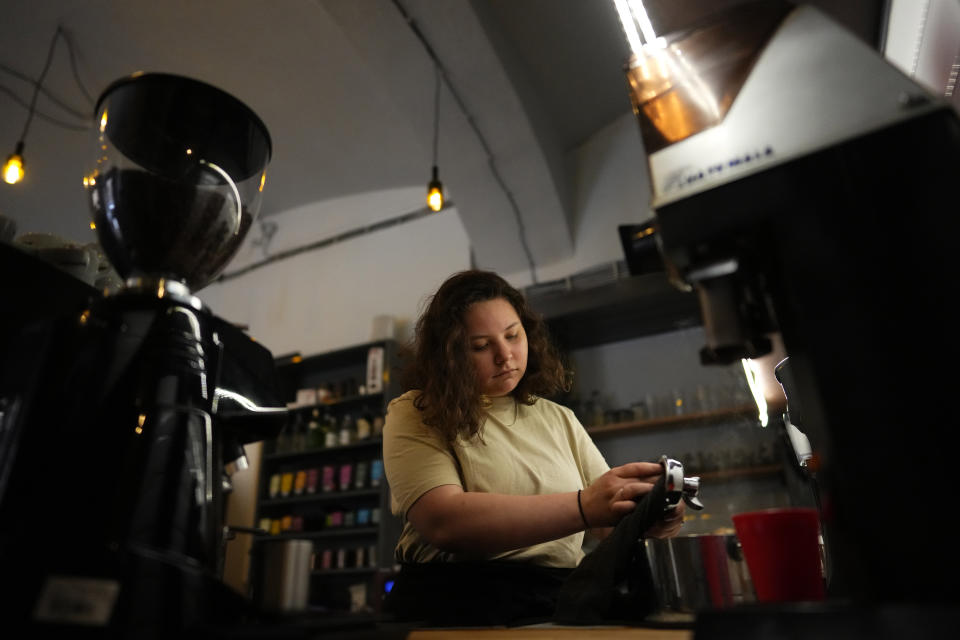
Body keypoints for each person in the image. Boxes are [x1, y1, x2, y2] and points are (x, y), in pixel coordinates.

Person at [381, 270, 684, 626]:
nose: (505, 355)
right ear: (449, 354)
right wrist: (585, 505)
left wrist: (648, 517)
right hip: (458, 606)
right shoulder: (417, 410)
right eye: (481, 346)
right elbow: (444, 522)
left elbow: (606, 523)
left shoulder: (558, 418)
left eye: (513, 335)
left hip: (555, 601)